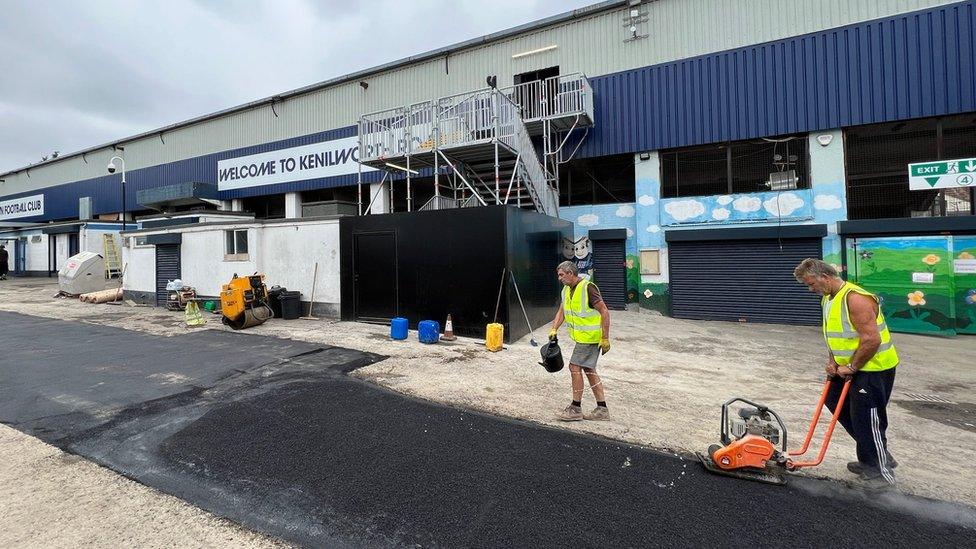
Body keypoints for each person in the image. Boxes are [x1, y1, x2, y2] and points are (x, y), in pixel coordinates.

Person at [794, 258, 899, 487]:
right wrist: (832, 360)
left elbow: (871, 340)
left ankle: (879, 472)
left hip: (873, 367)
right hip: (848, 365)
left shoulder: (856, 298)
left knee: (867, 418)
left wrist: (852, 367)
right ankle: (873, 453)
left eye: (811, 284)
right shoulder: (828, 299)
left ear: (826, 277)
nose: (810, 289)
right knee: (836, 403)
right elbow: (834, 334)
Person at [549, 260, 611, 421]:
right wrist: (554, 328)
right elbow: (562, 311)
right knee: (589, 370)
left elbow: (604, 311)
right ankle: (602, 409)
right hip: (581, 338)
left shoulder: (588, 288)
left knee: (574, 367)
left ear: (571, 273)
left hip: (590, 338)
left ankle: (575, 408)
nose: (559, 278)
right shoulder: (566, 290)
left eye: (561, 275)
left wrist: (605, 338)